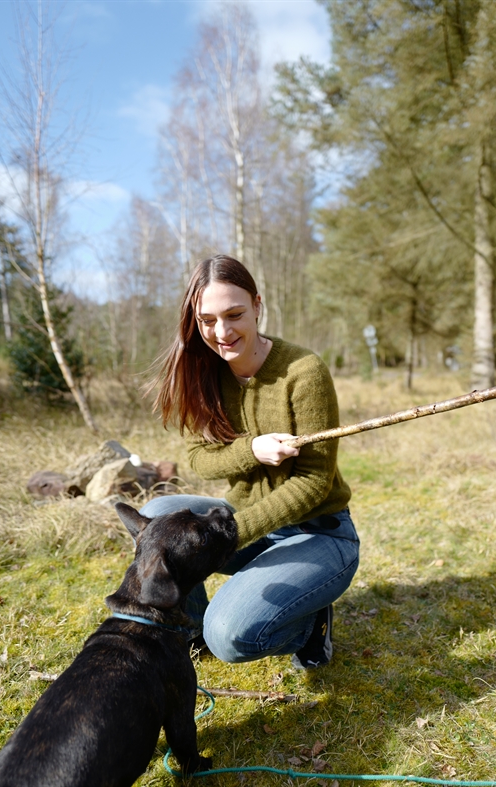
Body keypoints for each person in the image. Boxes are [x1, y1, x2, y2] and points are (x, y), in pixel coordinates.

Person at [140, 255, 359, 669]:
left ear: (258, 306)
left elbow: (313, 481)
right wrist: (252, 449)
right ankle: (192, 627)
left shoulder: (303, 371)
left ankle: (311, 625)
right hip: (247, 524)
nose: (221, 332)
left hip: (319, 534)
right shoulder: (201, 373)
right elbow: (199, 459)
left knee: (232, 637)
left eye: (234, 314)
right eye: (207, 320)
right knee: (156, 516)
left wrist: (229, 534)